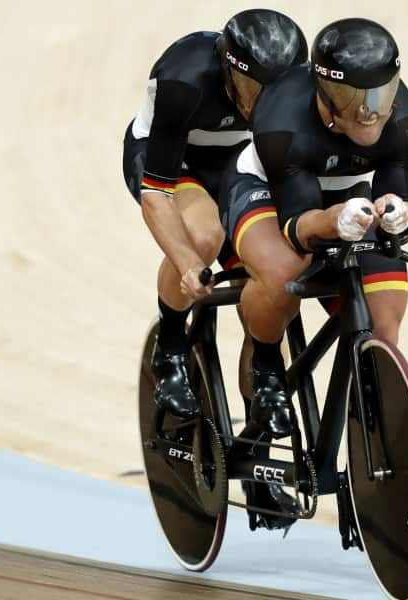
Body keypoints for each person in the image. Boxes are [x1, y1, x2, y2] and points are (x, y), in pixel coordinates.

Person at [221, 16, 408, 443]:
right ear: (325, 93)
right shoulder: (282, 121)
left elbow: (407, 201)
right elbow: (298, 228)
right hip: (268, 190)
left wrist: (399, 214)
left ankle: (367, 431)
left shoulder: (404, 122)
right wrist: (335, 220)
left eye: (380, 94)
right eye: (353, 99)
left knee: (383, 327)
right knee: (282, 275)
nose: (369, 111)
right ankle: (266, 369)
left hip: (347, 195)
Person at [123, 10, 308, 419]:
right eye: (249, 86)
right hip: (174, 163)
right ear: (226, 68)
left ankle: (256, 436)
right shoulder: (184, 79)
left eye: (272, 91)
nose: (258, 102)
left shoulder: (301, 92)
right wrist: (188, 262)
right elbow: (157, 194)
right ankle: (170, 348)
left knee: (269, 286)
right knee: (203, 236)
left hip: (235, 167)